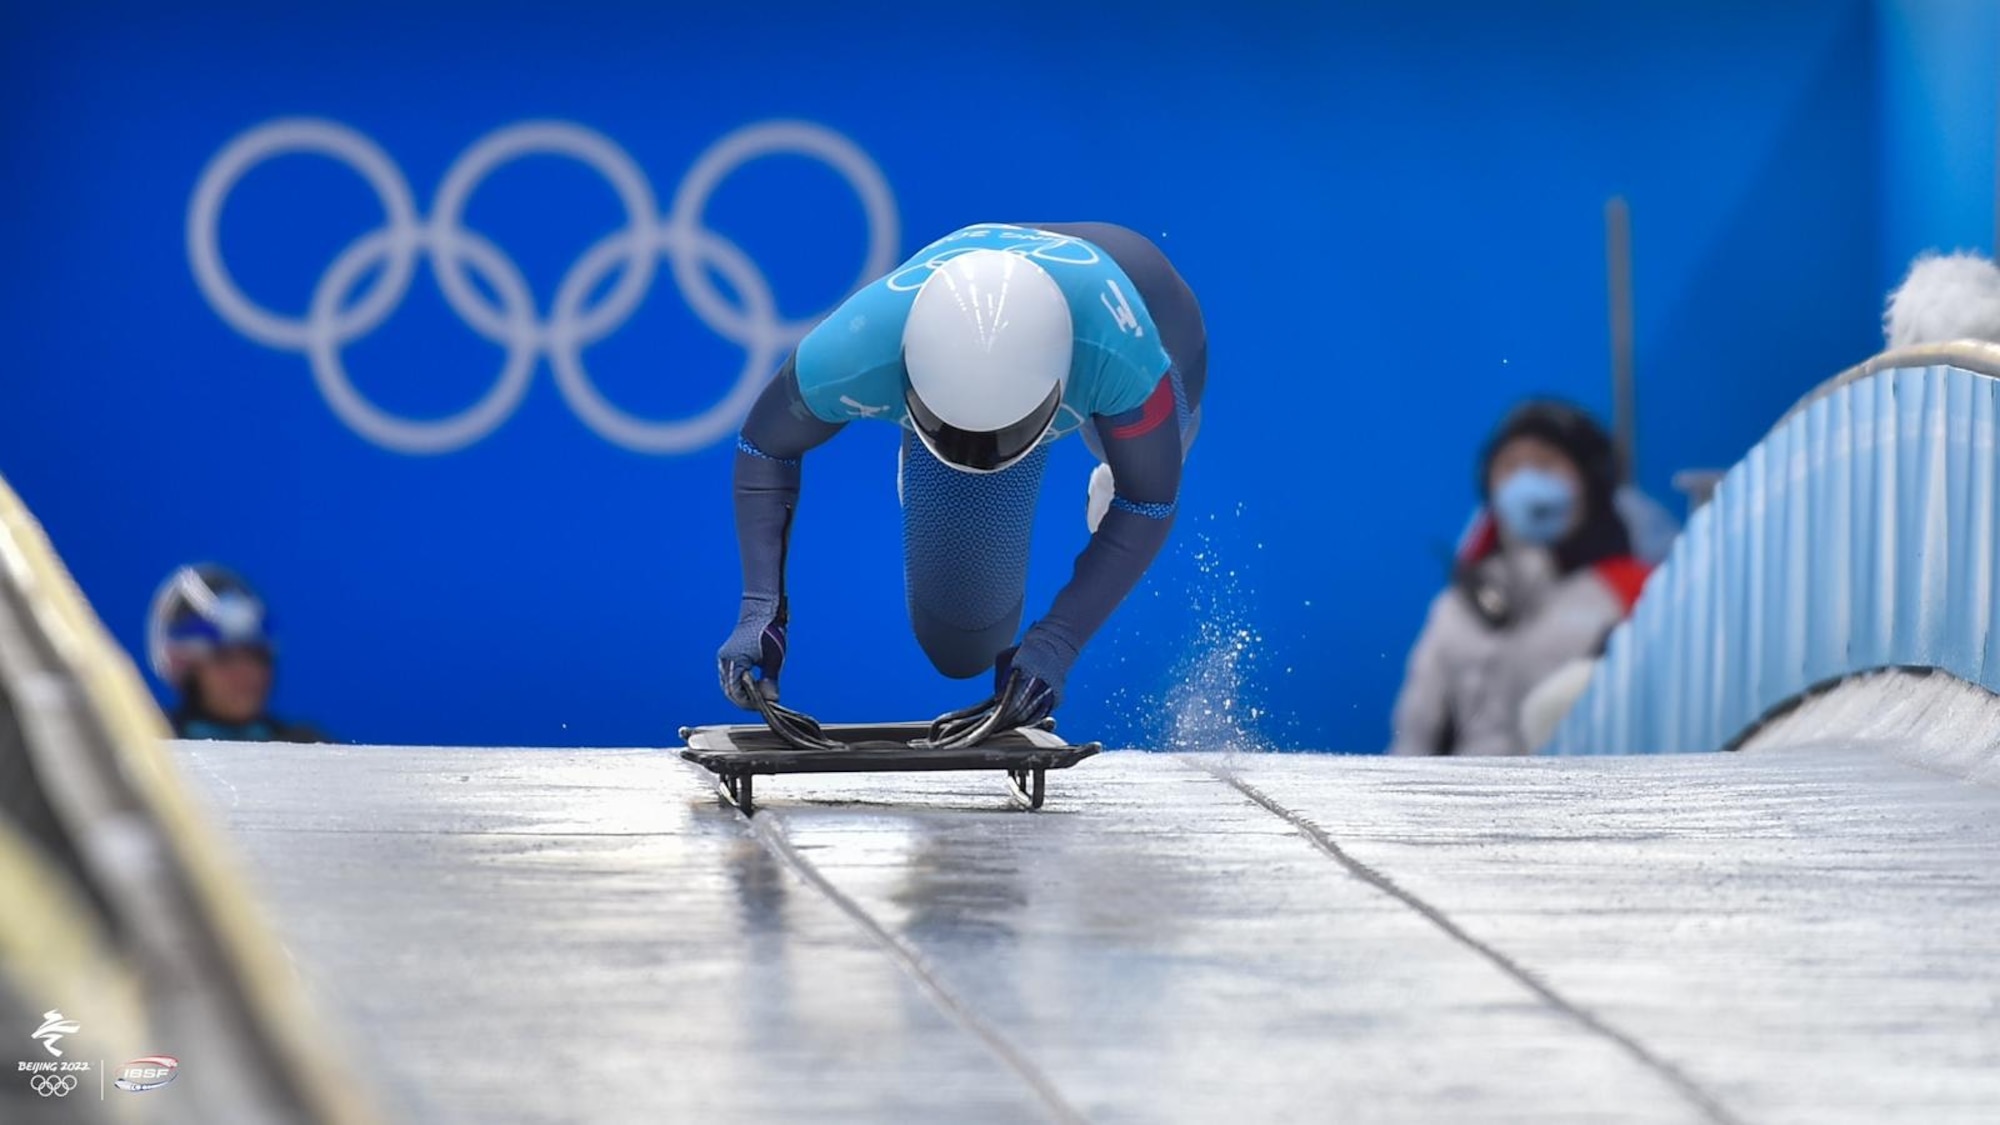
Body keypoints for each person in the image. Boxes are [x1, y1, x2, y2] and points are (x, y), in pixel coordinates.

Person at [718, 223, 1204, 742]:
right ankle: (942, 446)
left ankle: (1106, 463)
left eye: (1000, 437)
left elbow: (1149, 503)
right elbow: (764, 445)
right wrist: (759, 611)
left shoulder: (1122, 357)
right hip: (1012, 333)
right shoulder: (855, 347)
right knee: (960, 644)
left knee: (1149, 465)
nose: (979, 457)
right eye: (954, 433)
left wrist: (1057, 644)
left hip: (1146, 308)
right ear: (907, 376)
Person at [1389, 401, 1650, 756]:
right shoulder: (1459, 603)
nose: (1525, 480)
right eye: (1509, 466)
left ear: (1590, 480)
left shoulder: (1636, 591)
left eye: (1546, 463)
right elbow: (1415, 737)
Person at [146, 564, 326, 742]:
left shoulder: (307, 747)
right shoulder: (150, 744)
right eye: (224, 658)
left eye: (257, 656)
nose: (246, 672)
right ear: (185, 667)